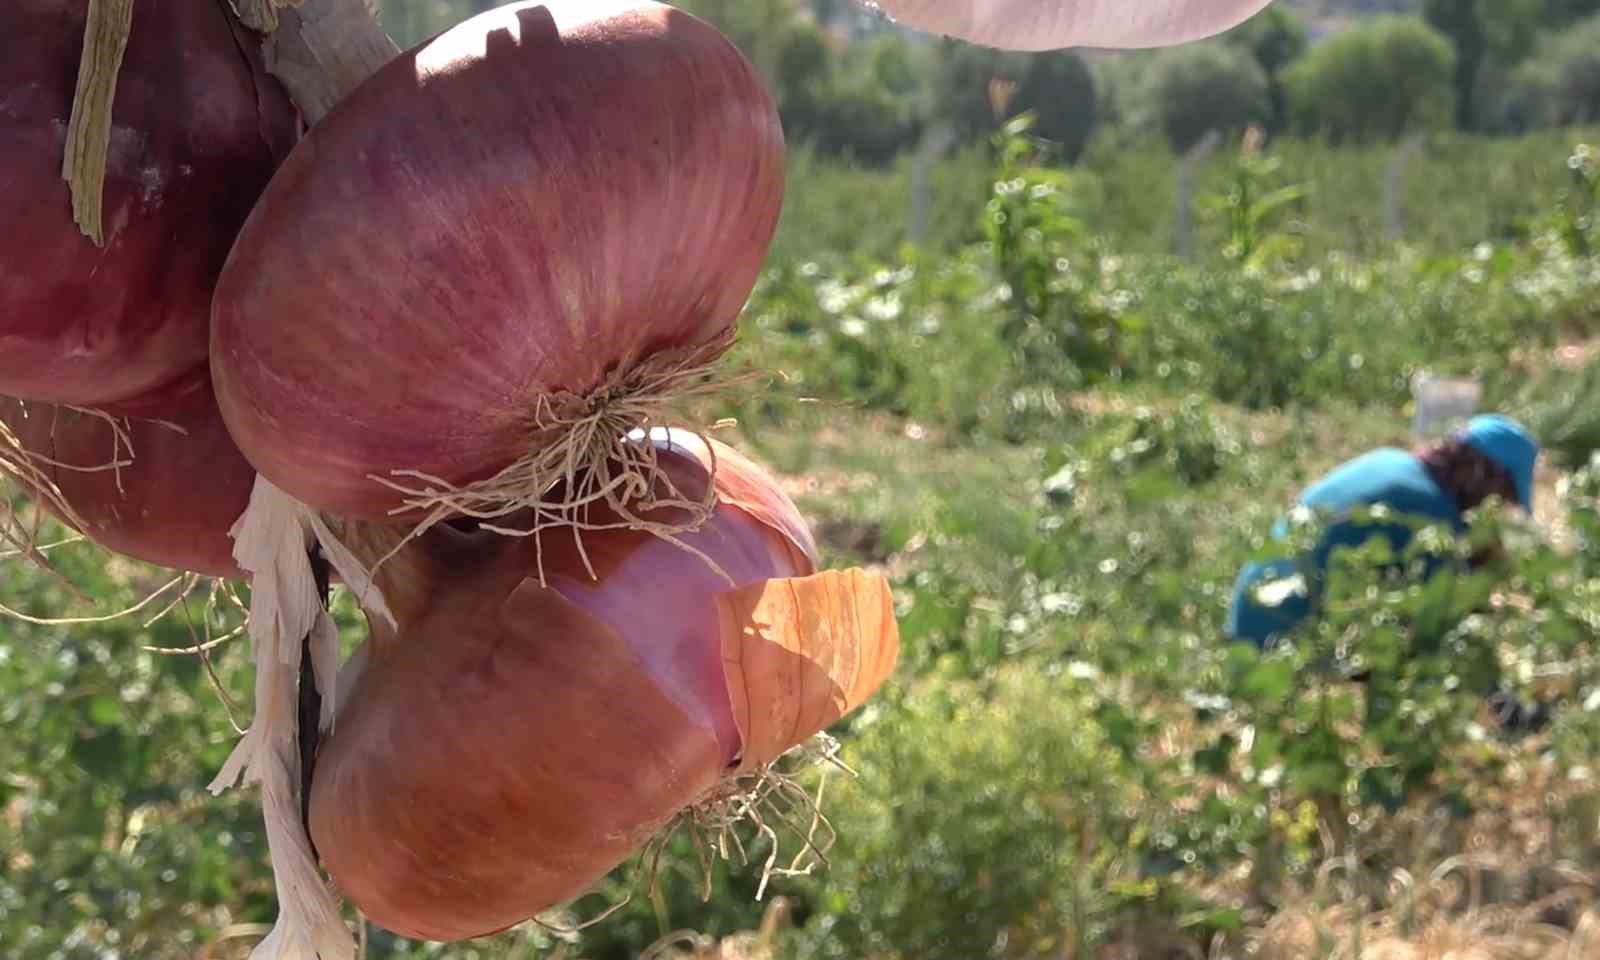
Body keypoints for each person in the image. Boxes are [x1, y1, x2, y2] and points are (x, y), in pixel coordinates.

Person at [1225, 415, 1544, 726]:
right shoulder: (1431, 514)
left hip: (1245, 624)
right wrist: (1508, 710)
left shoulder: (1391, 461)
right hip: (1277, 653)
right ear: (1481, 475)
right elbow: (1452, 629)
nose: (1493, 511)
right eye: (1501, 498)